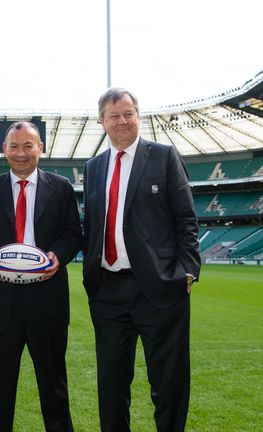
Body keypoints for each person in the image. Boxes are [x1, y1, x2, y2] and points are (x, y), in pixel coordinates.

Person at [82, 88, 201, 432]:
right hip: (107, 291)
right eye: (114, 115)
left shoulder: (164, 156)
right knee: (112, 384)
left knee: (168, 383)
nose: (122, 121)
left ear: (138, 115)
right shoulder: (93, 167)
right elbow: (92, 224)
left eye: (128, 113)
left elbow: (186, 219)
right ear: (102, 121)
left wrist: (187, 271)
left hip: (160, 288)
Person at [0, 121, 82, 432]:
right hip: (1, 301)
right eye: (14, 146)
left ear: (40, 149)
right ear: (4, 150)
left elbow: (73, 233)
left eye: (28, 145)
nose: (21, 153)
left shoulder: (62, 188)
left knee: (54, 387)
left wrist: (58, 255)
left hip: (48, 300)